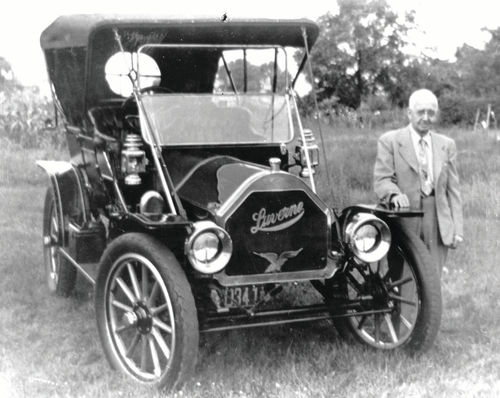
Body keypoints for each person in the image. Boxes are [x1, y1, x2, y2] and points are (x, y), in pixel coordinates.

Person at [373, 88, 463, 275]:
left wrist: (457, 229)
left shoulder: (446, 145)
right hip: (405, 216)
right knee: (405, 274)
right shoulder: (390, 141)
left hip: (438, 218)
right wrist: (394, 194)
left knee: (433, 278)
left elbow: (453, 190)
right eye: (421, 111)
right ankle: (406, 306)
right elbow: (382, 179)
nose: (426, 117)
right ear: (409, 113)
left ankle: (432, 306)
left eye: (431, 112)